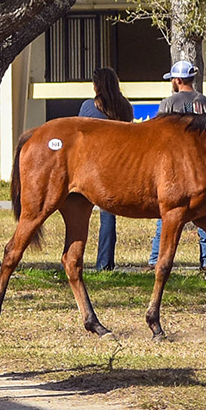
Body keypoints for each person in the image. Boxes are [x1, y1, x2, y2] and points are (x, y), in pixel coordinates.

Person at [148, 60, 206, 273]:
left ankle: (154, 260)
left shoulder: (167, 104)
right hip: (201, 169)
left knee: (165, 218)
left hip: (174, 170)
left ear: (177, 80)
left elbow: (158, 136)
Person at [78, 67, 134, 271]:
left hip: (90, 167)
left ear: (96, 86)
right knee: (108, 217)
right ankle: (105, 263)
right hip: (116, 167)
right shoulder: (125, 107)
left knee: (77, 216)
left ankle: (73, 259)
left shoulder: (88, 107)